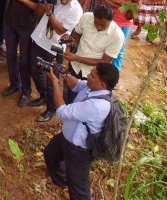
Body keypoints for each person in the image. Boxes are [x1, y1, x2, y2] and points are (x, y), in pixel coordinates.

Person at [44, 63, 120, 200]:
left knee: (79, 191)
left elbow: (62, 111)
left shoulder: (97, 106)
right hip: (66, 138)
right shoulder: (94, 88)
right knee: (51, 154)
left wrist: (55, 82)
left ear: (102, 84)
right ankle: (63, 181)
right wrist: (64, 74)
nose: (88, 77)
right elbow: (78, 84)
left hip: (79, 151)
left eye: (92, 75)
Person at [29, 0, 82, 122]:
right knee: (34, 70)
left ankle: (51, 109)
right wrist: (44, 1)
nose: (63, 0)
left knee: (51, 77)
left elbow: (60, 30)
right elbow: (40, 7)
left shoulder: (76, 10)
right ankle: (43, 96)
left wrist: (49, 13)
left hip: (54, 47)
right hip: (39, 39)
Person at [2, 0, 48, 106]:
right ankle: (14, 85)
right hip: (10, 22)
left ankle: (26, 92)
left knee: (24, 61)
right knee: (10, 56)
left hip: (27, 27)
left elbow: (40, 10)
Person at [63, 6, 124, 104]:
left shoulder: (117, 35)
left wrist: (77, 58)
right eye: (96, 23)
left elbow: (105, 61)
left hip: (93, 75)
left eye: (103, 25)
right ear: (93, 17)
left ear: (111, 21)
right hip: (75, 67)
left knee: (84, 101)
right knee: (68, 94)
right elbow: (77, 35)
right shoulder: (86, 17)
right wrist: (71, 42)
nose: (99, 27)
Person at [100, 0, 142, 69]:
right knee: (105, 46)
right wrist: (120, 4)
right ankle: (103, 70)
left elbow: (138, 5)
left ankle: (115, 72)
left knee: (120, 49)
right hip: (111, 20)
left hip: (126, 23)